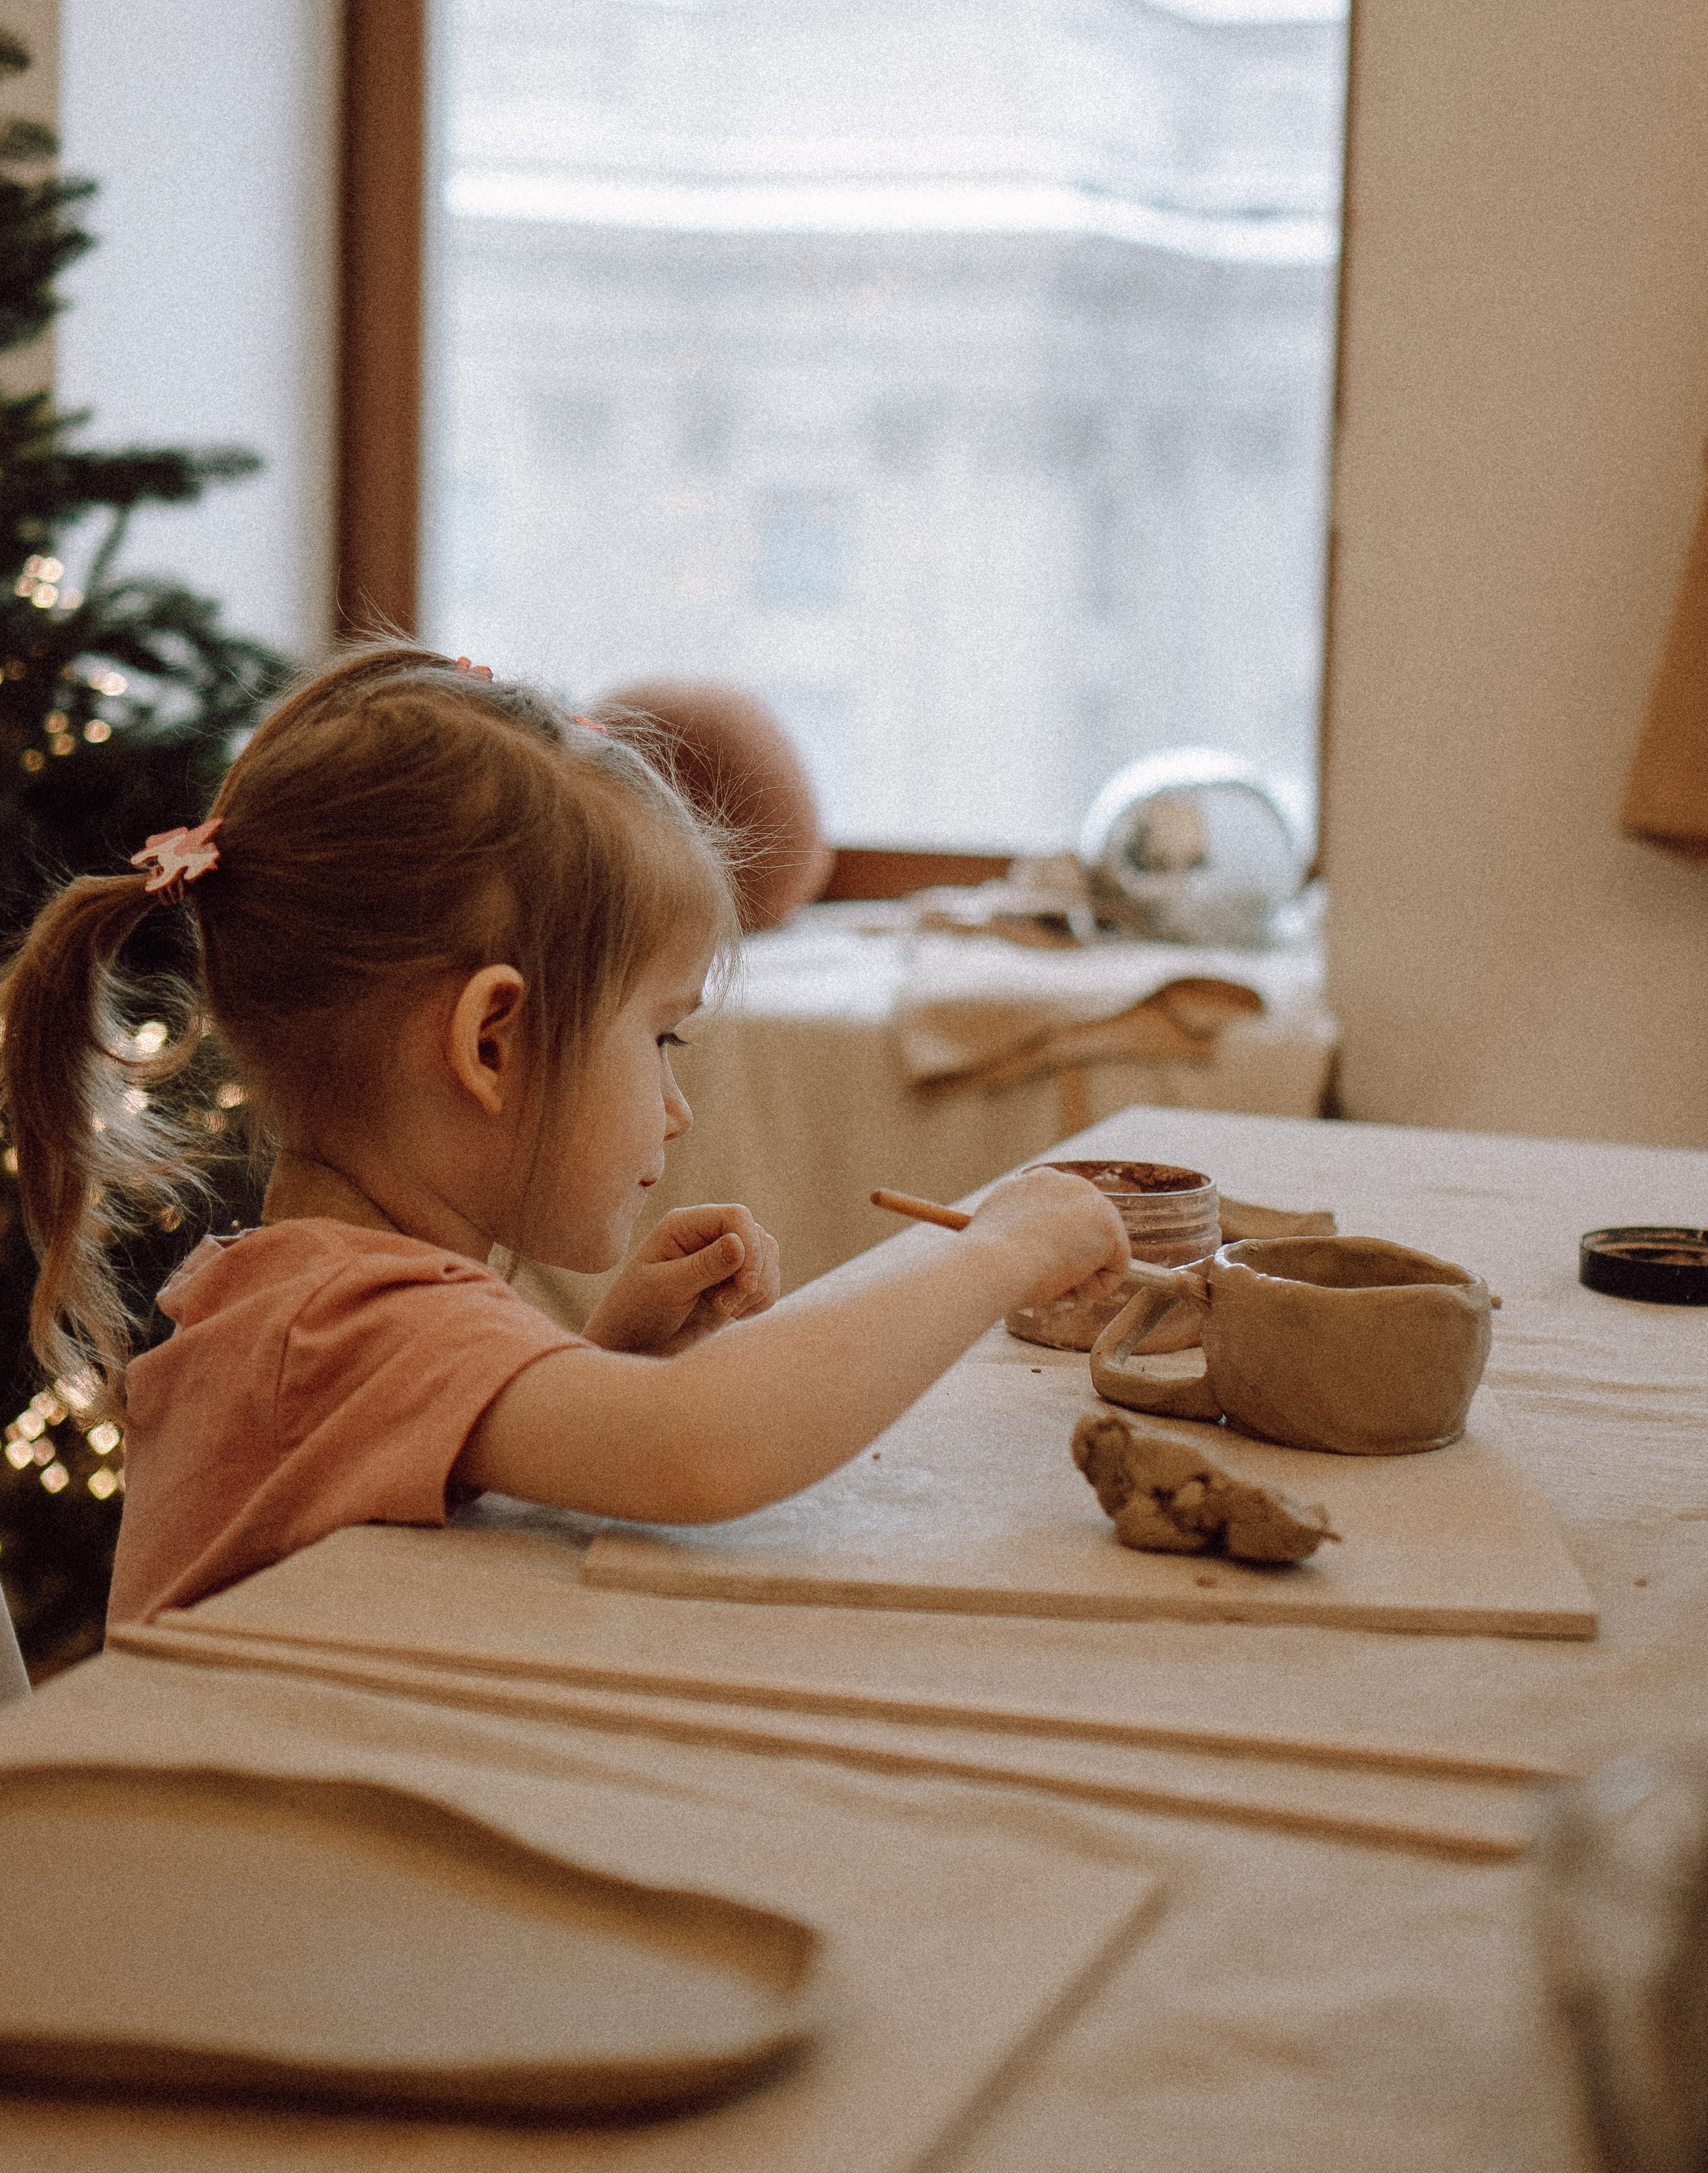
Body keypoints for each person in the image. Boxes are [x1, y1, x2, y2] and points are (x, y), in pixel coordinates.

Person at [0, 645, 1130, 1628]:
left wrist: (610, 1361)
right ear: (490, 1040)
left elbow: (436, 1503)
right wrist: (994, 1251)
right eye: (662, 1040)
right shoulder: (338, 1322)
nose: (675, 1107)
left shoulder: (322, 1294)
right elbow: (706, 1446)